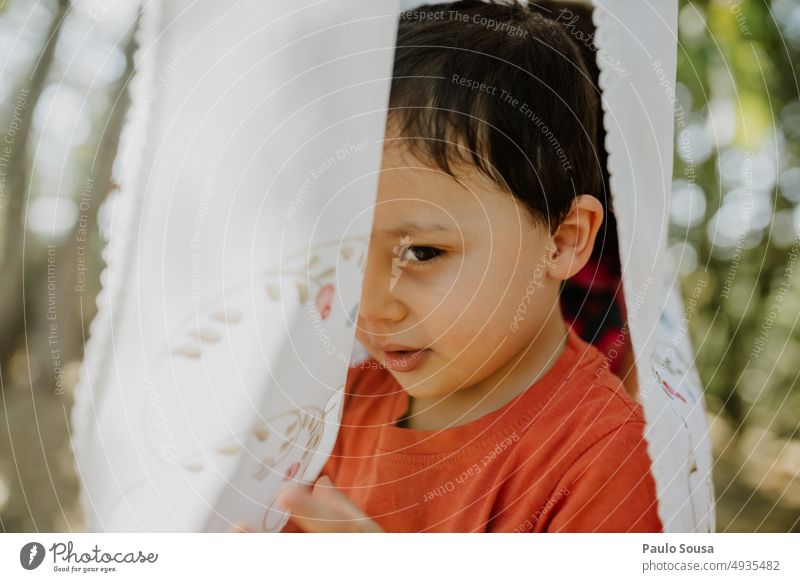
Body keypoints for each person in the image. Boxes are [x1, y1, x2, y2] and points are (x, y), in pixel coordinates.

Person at [277, 0, 662, 533]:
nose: (368, 305)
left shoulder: (602, 461)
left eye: (421, 252)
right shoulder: (338, 406)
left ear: (562, 240)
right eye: (347, 254)